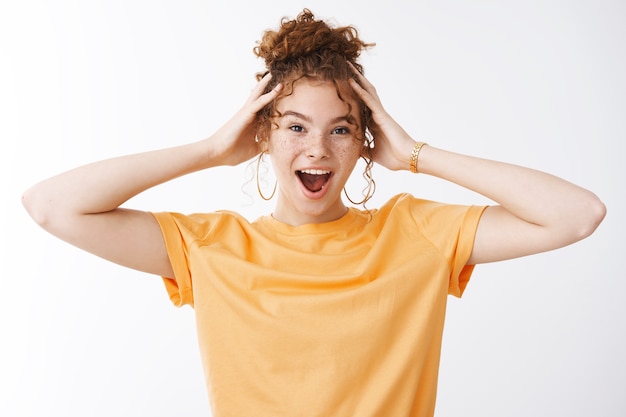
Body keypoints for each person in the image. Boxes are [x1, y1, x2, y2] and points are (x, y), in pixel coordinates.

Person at [22, 8, 605, 417]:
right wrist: (208, 151)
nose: (317, 150)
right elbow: (50, 207)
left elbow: (577, 214)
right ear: (263, 138)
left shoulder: (416, 233)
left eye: (341, 129)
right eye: (295, 127)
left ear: (364, 143)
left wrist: (417, 155)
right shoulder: (211, 248)